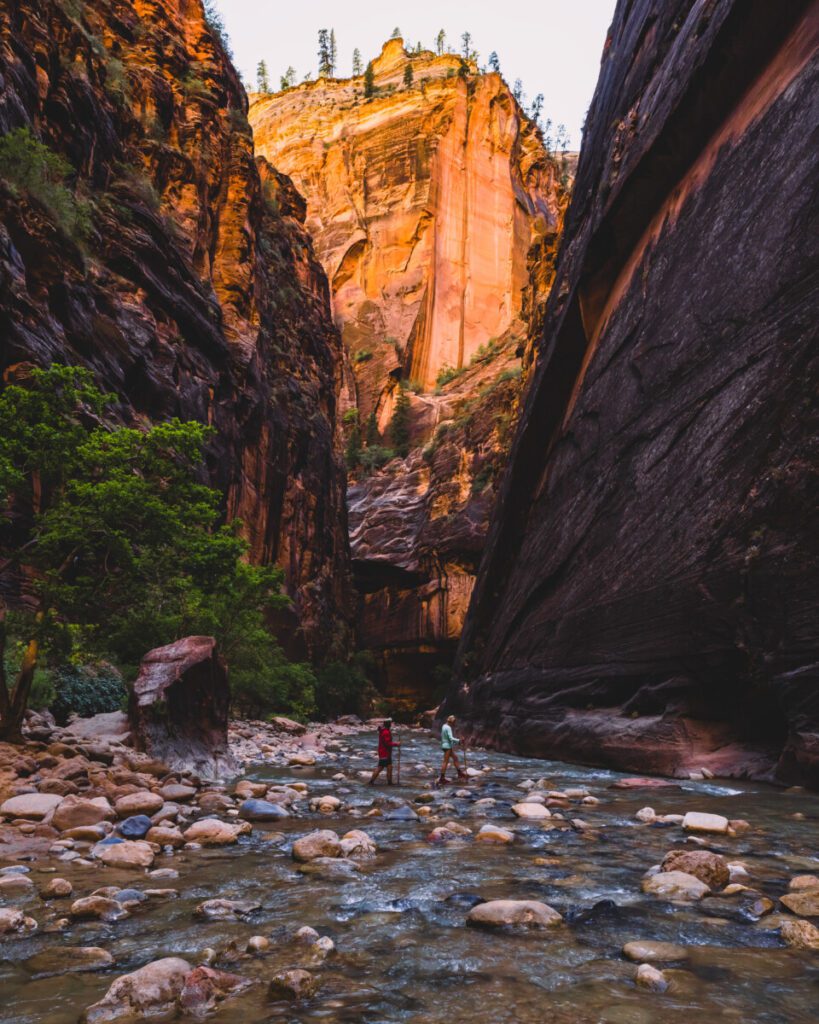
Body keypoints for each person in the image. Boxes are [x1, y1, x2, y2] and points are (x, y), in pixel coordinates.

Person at [368, 718, 400, 785]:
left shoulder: (384, 731)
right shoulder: (386, 732)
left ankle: (389, 782)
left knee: (389, 767)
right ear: (388, 724)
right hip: (385, 753)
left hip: (384, 752)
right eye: (390, 723)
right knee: (381, 767)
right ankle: (371, 782)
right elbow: (387, 743)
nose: (391, 724)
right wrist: (396, 744)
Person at [439, 714, 466, 784]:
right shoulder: (448, 728)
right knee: (445, 762)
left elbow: (445, 738)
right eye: (454, 722)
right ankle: (442, 778)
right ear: (452, 722)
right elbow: (450, 738)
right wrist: (459, 741)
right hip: (447, 746)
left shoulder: (444, 726)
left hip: (444, 745)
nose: (455, 724)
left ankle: (460, 773)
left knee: (455, 758)